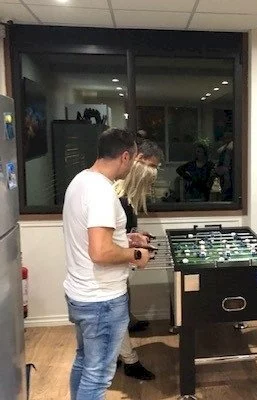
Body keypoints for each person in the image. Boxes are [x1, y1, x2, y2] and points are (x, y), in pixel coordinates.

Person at [63, 128, 150, 400]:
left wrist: (126, 239)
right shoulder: (101, 191)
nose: (132, 166)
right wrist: (137, 255)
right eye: (133, 160)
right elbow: (100, 252)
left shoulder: (80, 181)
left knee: (84, 362)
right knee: (98, 376)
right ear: (124, 157)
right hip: (101, 300)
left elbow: (92, 237)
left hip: (80, 294)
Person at [113, 138, 163, 381]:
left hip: (116, 266)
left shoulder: (125, 198)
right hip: (105, 271)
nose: (152, 174)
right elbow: (109, 243)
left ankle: (114, 356)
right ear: (137, 159)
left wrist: (135, 237)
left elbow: (121, 233)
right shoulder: (115, 199)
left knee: (121, 310)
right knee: (117, 314)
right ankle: (129, 360)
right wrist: (135, 251)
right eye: (151, 166)